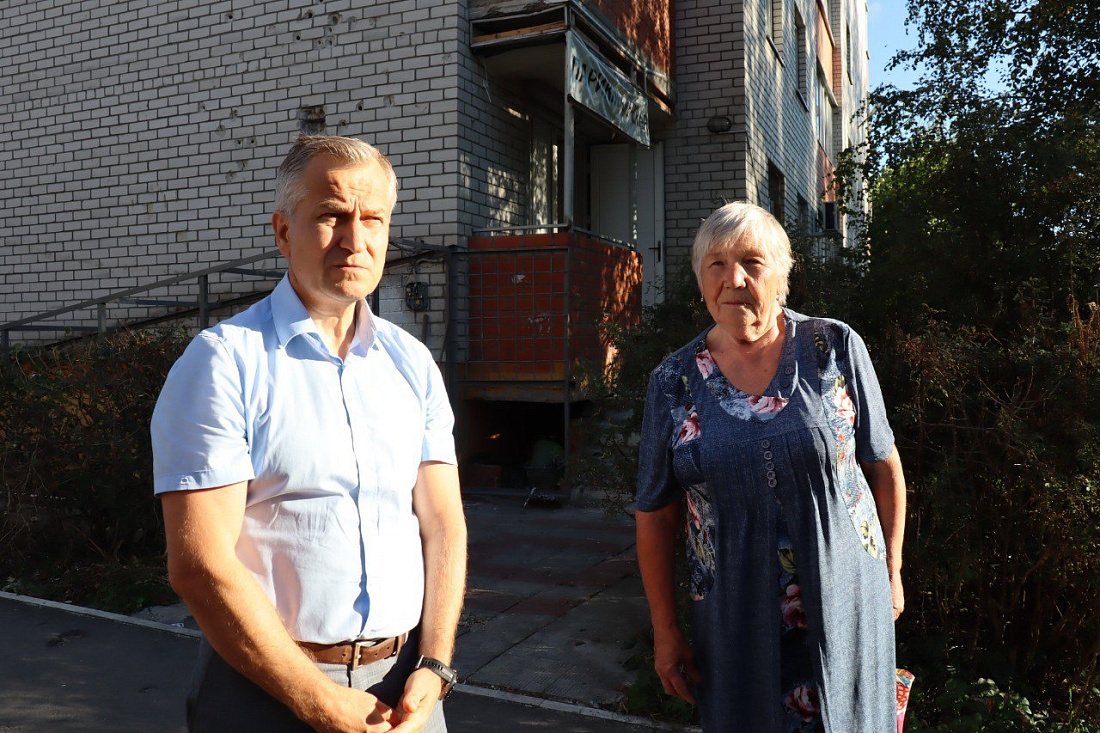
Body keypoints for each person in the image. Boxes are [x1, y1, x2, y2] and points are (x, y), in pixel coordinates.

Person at [151, 135, 467, 733]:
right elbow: (199, 564)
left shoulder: (413, 364)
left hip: (408, 689)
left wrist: (435, 662)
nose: (355, 239)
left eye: (373, 219)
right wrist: (317, 699)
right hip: (264, 688)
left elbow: (443, 524)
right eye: (331, 215)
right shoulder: (224, 364)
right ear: (283, 231)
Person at [634, 202, 906, 731]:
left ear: (781, 274)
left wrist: (892, 573)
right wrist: (665, 630)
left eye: (752, 263)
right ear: (701, 281)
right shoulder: (672, 382)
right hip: (733, 620)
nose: (733, 279)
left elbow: (884, 466)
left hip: (850, 604)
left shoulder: (833, 347)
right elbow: (655, 515)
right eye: (716, 265)